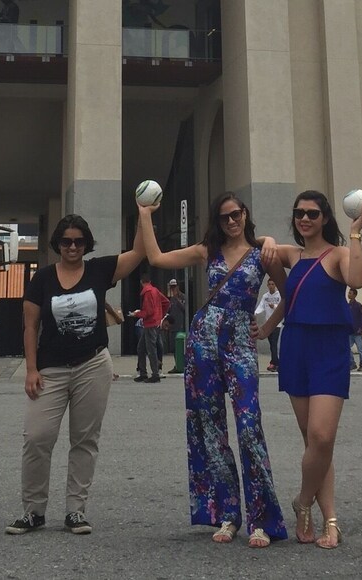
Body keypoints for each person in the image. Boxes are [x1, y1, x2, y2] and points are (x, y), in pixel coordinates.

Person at [138, 192, 288, 548]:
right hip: (203, 338)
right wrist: (144, 215)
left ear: (245, 214)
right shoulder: (207, 250)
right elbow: (157, 257)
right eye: (224, 217)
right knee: (210, 427)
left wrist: (266, 329)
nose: (231, 222)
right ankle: (228, 514)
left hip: (240, 340)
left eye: (236, 215)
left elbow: (288, 292)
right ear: (217, 222)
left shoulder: (263, 252)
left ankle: (262, 519)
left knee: (249, 425)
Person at [6, 214, 145, 536]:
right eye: (66, 241)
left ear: (86, 244)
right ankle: (33, 512)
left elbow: (139, 252)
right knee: (37, 438)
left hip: (92, 365)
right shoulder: (42, 279)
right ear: (57, 243)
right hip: (50, 370)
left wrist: (144, 214)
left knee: (85, 440)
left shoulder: (99, 270)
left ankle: (75, 511)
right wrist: (30, 369)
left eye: (78, 241)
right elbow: (30, 326)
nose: (72, 246)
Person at [258, 190, 362, 548]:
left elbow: (357, 280)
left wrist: (356, 232)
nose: (305, 219)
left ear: (325, 217)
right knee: (313, 441)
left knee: (322, 437)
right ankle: (331, 520)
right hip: (296, 347)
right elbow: (260, 247)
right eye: (299, 213)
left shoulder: (339, 253)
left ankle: (303, 501)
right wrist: (267, 240)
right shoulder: (292, 255)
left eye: (312, 213)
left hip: (329, 349)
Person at [131, 274, 170, 382]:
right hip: (156, 322)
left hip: (149, 324)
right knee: (142, 347)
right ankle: (145, 372)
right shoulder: (155, 291)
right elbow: (166, 302)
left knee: (150, 349)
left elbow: (148, 312)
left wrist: (137, 314)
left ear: (141, 282)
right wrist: (161, 315)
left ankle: (154, 374)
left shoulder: (147, 293)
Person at [254, 279, 282, 372]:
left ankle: (274, 364)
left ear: (275, 285)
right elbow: (261, 306)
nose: (271, 286)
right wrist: (255, 313)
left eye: (273, 284)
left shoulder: (279, 296)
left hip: (277, 324)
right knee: (271, 345)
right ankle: (275, 362)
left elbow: (282, 307)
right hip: (268, 324)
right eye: (269, 284)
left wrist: (273, 306)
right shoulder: (265, 296)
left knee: (274, 344)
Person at [348, 288, 362, 372]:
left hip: (358, 332)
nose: (349, 294)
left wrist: (361, 327)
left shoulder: (358, 305)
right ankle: (352, 363)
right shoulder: (347, 306)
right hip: (350, 331)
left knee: (360, 350)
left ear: (355, 295)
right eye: (349, 293)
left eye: (350, 293)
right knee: (347, 348)